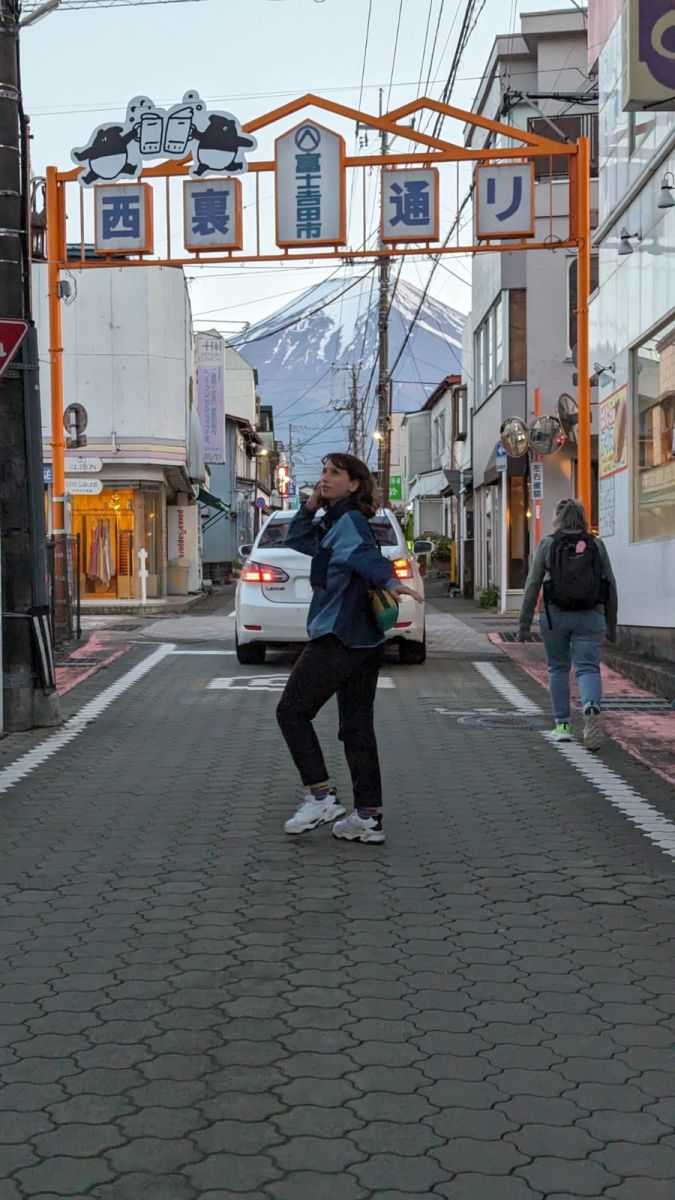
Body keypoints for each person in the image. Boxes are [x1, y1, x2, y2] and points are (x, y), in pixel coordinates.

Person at [276, 453, 422, 844]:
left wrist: (392, 582)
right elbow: (296, 539)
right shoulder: (334, 521)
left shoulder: (350, 523)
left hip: (339, 636)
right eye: (323, 472)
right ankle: (368, 818)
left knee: (291, 712)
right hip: (365, 640)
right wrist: (309, 506)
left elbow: (367, 558)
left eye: (334, 473)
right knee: (356, 729)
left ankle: (321, 795)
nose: (325, 479)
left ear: (354, 483)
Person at [518, 497, 617, 750]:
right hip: (591, 615)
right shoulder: (596, 544)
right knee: (587, 668)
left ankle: (562, 725)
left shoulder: (549, 544)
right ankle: (591, 707)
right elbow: (610, 586)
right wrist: (612, 625)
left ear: (559, 519)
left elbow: (532, 585)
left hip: (555, 616)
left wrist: (524, 625)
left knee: (558, 669)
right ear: (583, 518)